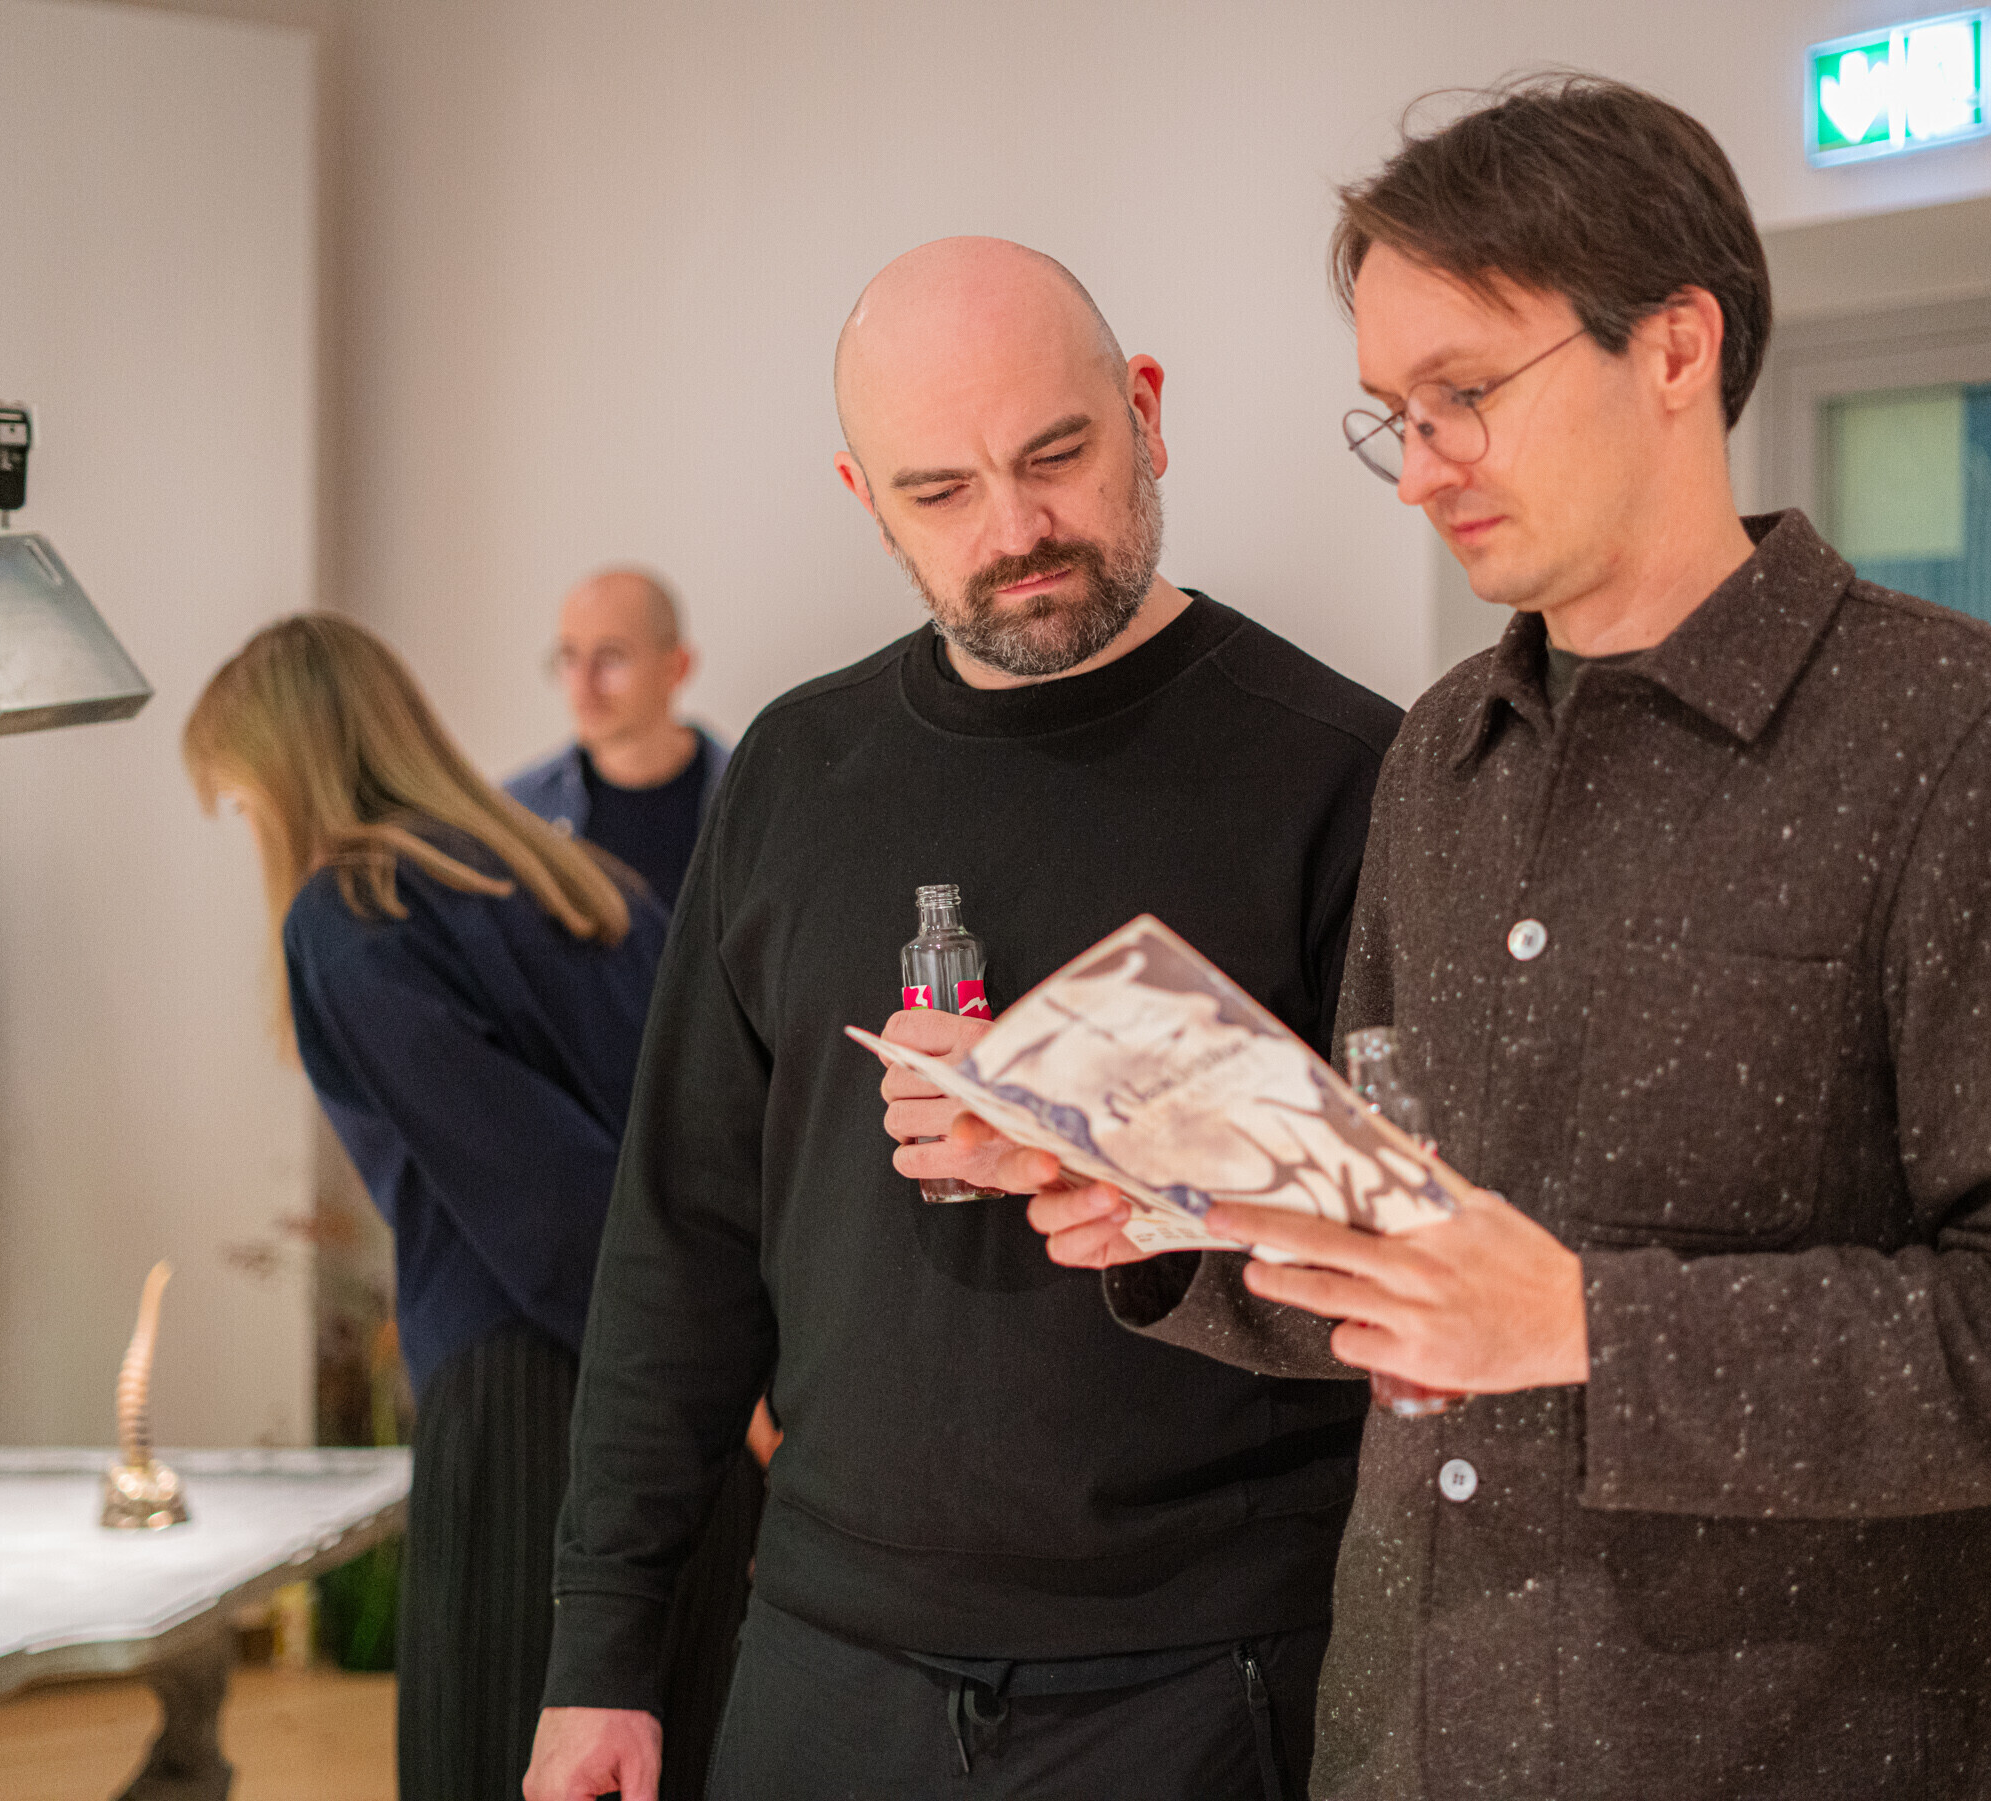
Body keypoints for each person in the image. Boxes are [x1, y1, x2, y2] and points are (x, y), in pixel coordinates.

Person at [1019, 76, 1991, 1798]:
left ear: (1676, 347)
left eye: (1466, 394)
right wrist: (1168, 1211)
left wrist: (1586, 1325)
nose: (1420, 468)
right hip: (1411, 1736)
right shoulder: (1441, 755)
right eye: (1393, 415)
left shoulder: (1978, 745)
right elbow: (1405, 1258)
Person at [525, 238, 1401, 1801]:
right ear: (866, 498)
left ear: (1145, 413)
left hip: (1208, 1671)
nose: (1015, 530)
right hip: (827, 1657)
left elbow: (1412, 1256)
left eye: (1056, 456)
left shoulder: (1346, 769)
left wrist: (1122, 1122)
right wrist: (605, 1648)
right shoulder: (793, 774)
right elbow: (679, 1246)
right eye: (939, 491)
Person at [185, 616, 753, 1801]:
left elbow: (546, 1199)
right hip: (689, 1395)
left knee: (503, 1762)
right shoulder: (583, 884)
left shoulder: (349, 916)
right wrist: (727, 1374)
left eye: (242, 803)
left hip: (529, 1397)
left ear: (282, 779)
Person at [505, 568, 728, 911]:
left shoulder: (753, 798)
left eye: (611, 657)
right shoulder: (519, 814)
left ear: (677, 667)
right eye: (570, 658)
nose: (584, 686)